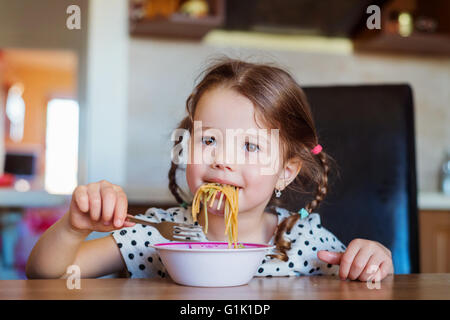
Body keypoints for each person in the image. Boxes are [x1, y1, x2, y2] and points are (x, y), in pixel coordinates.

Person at [26, 58, 393, 282]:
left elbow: (365, 276)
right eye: (209, 140)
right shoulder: (159, 234)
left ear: (286, 172)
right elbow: (47, 276)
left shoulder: (301, 242)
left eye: (249, 147)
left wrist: (375, 260)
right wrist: (74, 227)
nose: (223, 160)